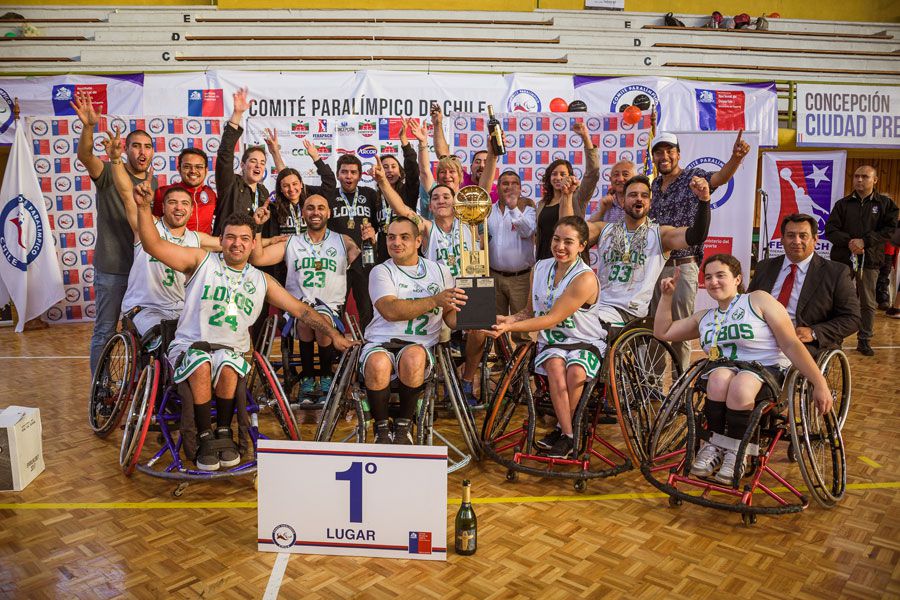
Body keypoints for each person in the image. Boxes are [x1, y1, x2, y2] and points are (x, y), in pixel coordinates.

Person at [132, 180, 354, 471]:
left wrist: (334, 334)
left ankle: (224, 432)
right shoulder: (201, 261)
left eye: (244, 238)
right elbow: (153, 244)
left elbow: (302, 310)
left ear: (252, 244)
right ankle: (203, 434)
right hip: (190, 347)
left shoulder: (261, 280)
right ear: (221, 240)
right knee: (201, 363)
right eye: (231, 237)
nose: (237, 243)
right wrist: (143, 207)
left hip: (230, 353)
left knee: (228, 363)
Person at [653, 254, 833, 484]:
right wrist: (667, 297)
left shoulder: (758, 300)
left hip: (766, 371)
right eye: (708, 277)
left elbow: (790, 343)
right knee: (717, 378)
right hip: (726, 372)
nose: (713, 281)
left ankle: (738, 454)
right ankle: (714, 448)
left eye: (721, 275)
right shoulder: (705, 317)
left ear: (737, 279)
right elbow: (664, 332)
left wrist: (819, 382)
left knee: (741, 383)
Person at [484, 216, 604, 459]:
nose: (560, 246)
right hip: (552, 342)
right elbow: (529, 311)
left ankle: (562, 431)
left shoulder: (585, 278)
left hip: (585, 340)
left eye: (568, 242)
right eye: (556, 240)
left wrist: (508, 330)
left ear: (582, 246)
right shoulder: (539, 268)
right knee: (556, 368)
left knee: (576, 372)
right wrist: (508, 320)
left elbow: (551, 319)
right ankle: (569, 435)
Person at [372, 157, 486, 405]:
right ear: (430, 206)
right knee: (440, 341)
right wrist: (382, 183)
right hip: (440, 292)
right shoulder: (427, 228)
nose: (442, 200)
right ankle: (442, 386)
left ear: (456, 202)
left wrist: (493, 152)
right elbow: (402, 210)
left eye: (446, 196)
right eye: (436, 198)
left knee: (479, 331)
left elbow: (483, 190)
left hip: (469, 289)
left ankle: (466, 381)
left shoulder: (470, 223)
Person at [648, 130, 751, 371]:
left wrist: (735, 159)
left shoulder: (693, 177)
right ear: (653, 158)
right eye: (659, 152)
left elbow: (719, 179)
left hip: (682, 265)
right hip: (653, 266)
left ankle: (678, 385)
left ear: (678, 154)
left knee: (680, 330)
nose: (664, 156)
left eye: (669, 151)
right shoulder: (654, 185)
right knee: (654, 327)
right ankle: (650, 385)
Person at [103, 127, 221, 338]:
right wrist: (115, 160)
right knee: (164, 337)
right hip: (145, 308)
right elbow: (126, 194)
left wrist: (263, 235)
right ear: (162, 207)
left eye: (184, 203)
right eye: (172, 203)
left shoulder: (195, 238)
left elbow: (231, 244)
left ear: (191, 209)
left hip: (181, 308)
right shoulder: (147, 228)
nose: (179, 208)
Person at [71, 91, 157, 374]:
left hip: (144, 271)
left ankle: (140, 386)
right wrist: (88, 126)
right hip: (112, 268)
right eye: (136, 146)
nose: (142, 151)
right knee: (105, 331)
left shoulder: (154, 182)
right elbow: (84, 155)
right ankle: (101, 390)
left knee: (145, 333)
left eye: (147, 146)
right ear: (125, 148)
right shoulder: (108, 171)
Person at [250, 194, 368, 399]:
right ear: (303, 213)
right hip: (297, 308)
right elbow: (258, 258)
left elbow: (365, 263)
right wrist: (258, 228)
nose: (316, 212)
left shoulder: (344, 241)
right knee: (307, 320)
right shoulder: (292, 242)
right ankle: (308, 377)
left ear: (328, 213)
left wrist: (370, 241)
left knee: (320, 320)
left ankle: (324, 376)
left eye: (321, 208)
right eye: (310, 208)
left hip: (331, 309)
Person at [361, 217, 465, 444]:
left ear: (418, 241)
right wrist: (434, 300)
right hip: (381, 341)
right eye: (391, 237)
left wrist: (475, 319)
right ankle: (380, 430)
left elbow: (450, 316)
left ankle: (403, 427)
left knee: (414, 355)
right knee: (378, 362)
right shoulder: (381, 271)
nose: (396, 242)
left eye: (404, 237)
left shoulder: (440, 271)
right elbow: (390, 310)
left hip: (421, 346)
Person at [568, 174, 712, 335]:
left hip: (629, 312)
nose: (639, 199)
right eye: (633, 195)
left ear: (650, 203)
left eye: (644, 196)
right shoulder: (604, 229)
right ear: (622, 202)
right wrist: (567, 196)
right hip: (599, 305)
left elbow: (696, 235)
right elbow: (569, 232)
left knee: (583, 326)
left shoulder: (660, 234)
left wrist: (704, 200)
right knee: (564, 320)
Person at [749, 213, 860, 355]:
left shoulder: (836, 273)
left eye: (803, 236)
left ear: (815, 240)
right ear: (782, 239)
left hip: (801, 345)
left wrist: (814, 332)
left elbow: (852, 318)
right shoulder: (765, 267)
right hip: (759, 340)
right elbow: (748, 304)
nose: (796, 241)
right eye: (790, 235)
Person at [824, 165, 899, 356]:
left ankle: (864, 339)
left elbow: (889, 230)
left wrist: (865, 242)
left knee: (867, 302)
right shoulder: (842, 204)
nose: (859, 180)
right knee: (837, 300)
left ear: (875, 180)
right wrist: (850, 242)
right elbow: (830, 230)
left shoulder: (885, 204)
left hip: (871, 260)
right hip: (842, 260)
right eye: (856, 176)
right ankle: (835, 339)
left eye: (864, 176)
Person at [258, 129, 337, 287]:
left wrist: (316, 157)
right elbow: (285, 176)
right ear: (280, 188)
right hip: (284, 262)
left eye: (295, 184)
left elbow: (330, 183)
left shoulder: (309, 198)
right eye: (286, 186)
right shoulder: (274, 207)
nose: (291, 189)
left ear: (302, 184)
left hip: (313, 259)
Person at [325, 153, 381, 329]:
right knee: (335, 306)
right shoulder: (329, 196)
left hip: (365, 258)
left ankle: (369, 346)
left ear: (360, 175)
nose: (348, 176)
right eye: (344, 172)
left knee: (366, 305)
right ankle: (336, 349)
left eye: (353, 172)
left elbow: (381, 223)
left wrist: (374, 234)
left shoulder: (370, 194)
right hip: (336, 259)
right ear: (337, 174)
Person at [534, 122, 599, 261]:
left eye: (563, 174)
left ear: (570, 176)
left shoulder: (578, 196)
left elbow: (593, 173)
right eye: (554, 174)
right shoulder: (541, 204)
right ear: (548, 178)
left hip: (570, 262)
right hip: (545, 262)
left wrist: (586, 138)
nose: (558, 178)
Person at [487, 169, 536, 345]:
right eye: (505, 183)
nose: (510, 187)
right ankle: (501, 361)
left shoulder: (528, 210)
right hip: (493, 276)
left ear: (520, 188)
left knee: (521, 327)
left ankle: (521, 367)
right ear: (498, 187)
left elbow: (527, 231)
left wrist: (513, 208)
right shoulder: (487, 211)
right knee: (495, 324)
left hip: (520, 278)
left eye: (514, 183)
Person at [212, 87, 270, 236]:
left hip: (253, 251)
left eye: (262, 163)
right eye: (254, 161)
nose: (258, 165)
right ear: (243, 165)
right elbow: (225, 154)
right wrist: (237, 114)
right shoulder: (230, 184)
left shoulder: (263, 193)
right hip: (225, 250)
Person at [428, 105, 498, 201]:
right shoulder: (461, 178)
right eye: (477, 161)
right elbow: (443, 156)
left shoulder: (497, 191)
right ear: (471, 166)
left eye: (486, 162)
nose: (481, 165)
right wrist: (437, 123)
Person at [375, 119, 421, 263]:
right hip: (384, 253)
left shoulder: (408, 190)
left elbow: (413, 169)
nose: (389, 170)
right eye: (385, 167)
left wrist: (404, 142)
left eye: (393, 166)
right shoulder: (374, 197)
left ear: (400, 172)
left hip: (407, 251)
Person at [152, 148, 216, 235]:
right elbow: (154, 224)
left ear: (206, 170)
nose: (193, 171)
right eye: (187, 166)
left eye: (199, 167)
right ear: (179, 169)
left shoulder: (210, 193)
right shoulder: (163, 192)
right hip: (175, 247)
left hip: (205, 247)